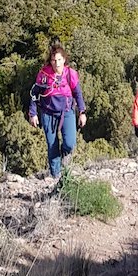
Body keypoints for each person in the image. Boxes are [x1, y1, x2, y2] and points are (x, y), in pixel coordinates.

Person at [28, 40, 86, 181]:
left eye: (59, 60)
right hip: (48, 113)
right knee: (52, 144)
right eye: (54, 60)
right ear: (51, 61)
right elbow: (34, 93)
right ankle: (56, 175)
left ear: (64, 60)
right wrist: (33, 113)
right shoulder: (44, 75)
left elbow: (78, 93)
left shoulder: (70, 74)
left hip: (67, 112)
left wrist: (82, 112)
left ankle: (65, 157)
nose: (57, 63)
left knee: (70, 142)